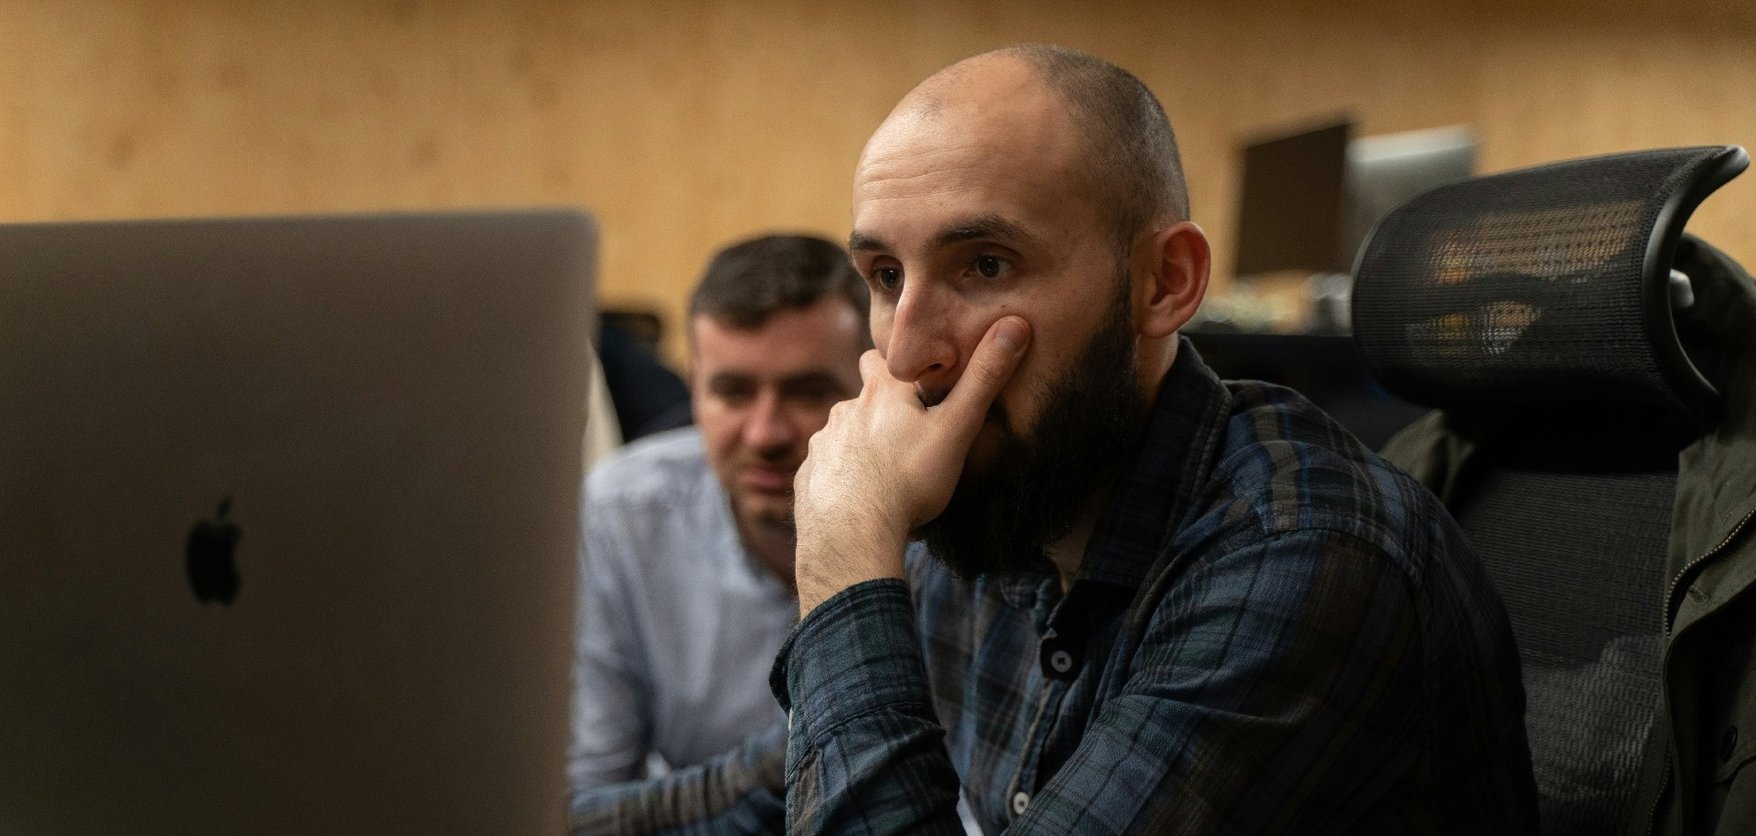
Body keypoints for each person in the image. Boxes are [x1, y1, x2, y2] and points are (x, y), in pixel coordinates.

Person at [774, 44, 1540, 832]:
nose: (906, 355)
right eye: (886, 276)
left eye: (987, 265)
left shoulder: (1305, 554)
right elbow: (775, 781)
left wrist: (847, 561)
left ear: (1166, 282)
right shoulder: (1007, 498)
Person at [568, 234, 867, 807]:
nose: (765, 434)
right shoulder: (623, 516)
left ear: (872, 386)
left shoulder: (948, 524)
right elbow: (587, 798)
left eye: (807, 391)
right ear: (694, 387)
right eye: (732, 392)